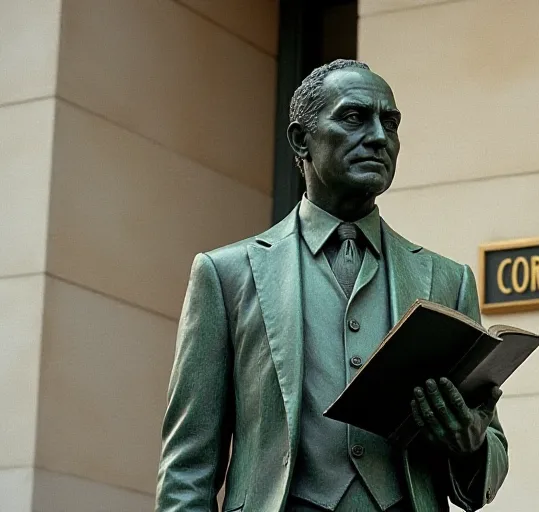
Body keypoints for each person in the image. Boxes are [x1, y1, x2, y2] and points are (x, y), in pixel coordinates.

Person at [156, 59, 508, 512]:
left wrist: (469, 444)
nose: (380, 137)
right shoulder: (226, 275)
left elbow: (490, 456)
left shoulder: (447, 280)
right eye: (354, 117)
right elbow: (188, 466)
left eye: (391, 123)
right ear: (302, 140)